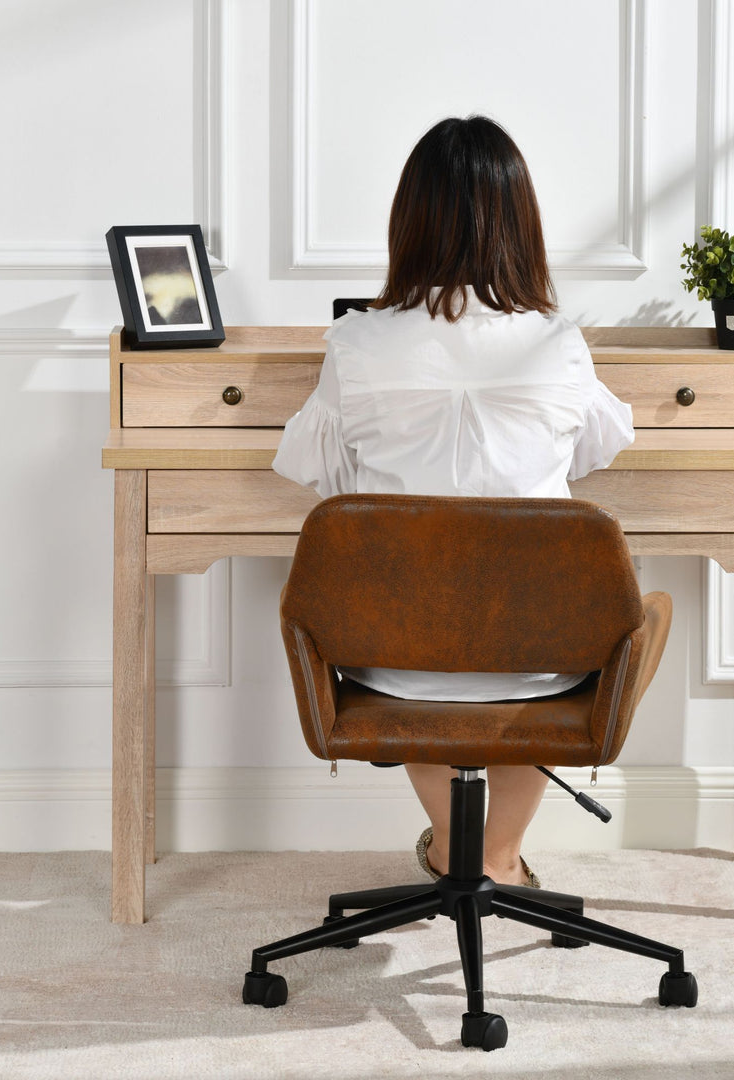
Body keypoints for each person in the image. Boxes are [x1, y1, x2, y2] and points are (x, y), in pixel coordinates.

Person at [272, 116, 634, 888]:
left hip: (395, 658)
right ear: (520, 225)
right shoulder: (557, 342)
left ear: (411, 222)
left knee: (426, 634)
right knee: (548, 624)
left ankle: (456, 850)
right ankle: (495, 860)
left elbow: (316, 469)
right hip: (542, 662)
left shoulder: (356, 342)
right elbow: (598, 447)